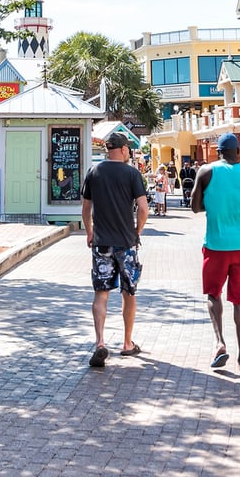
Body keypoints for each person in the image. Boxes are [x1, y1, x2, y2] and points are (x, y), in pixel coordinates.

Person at [190, 132, 240, 377]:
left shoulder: (206, 171)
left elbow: (194, 206)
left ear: (218, 152)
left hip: (215, 246)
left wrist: (214, 207)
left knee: (214, 295)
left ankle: (219, 342)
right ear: (239, 151)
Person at [81, 130, 149, 368]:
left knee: (101, 293)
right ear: (122, 150)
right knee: (128, 293)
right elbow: (143, 208)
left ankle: (100, 342)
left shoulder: (93, 172)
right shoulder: (132, 173)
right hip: (126, 243)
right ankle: (127, 343)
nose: (129, 152)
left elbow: (86, 208)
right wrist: (137, 231)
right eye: (128, 149)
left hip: (101, 243)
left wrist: (89, 232)